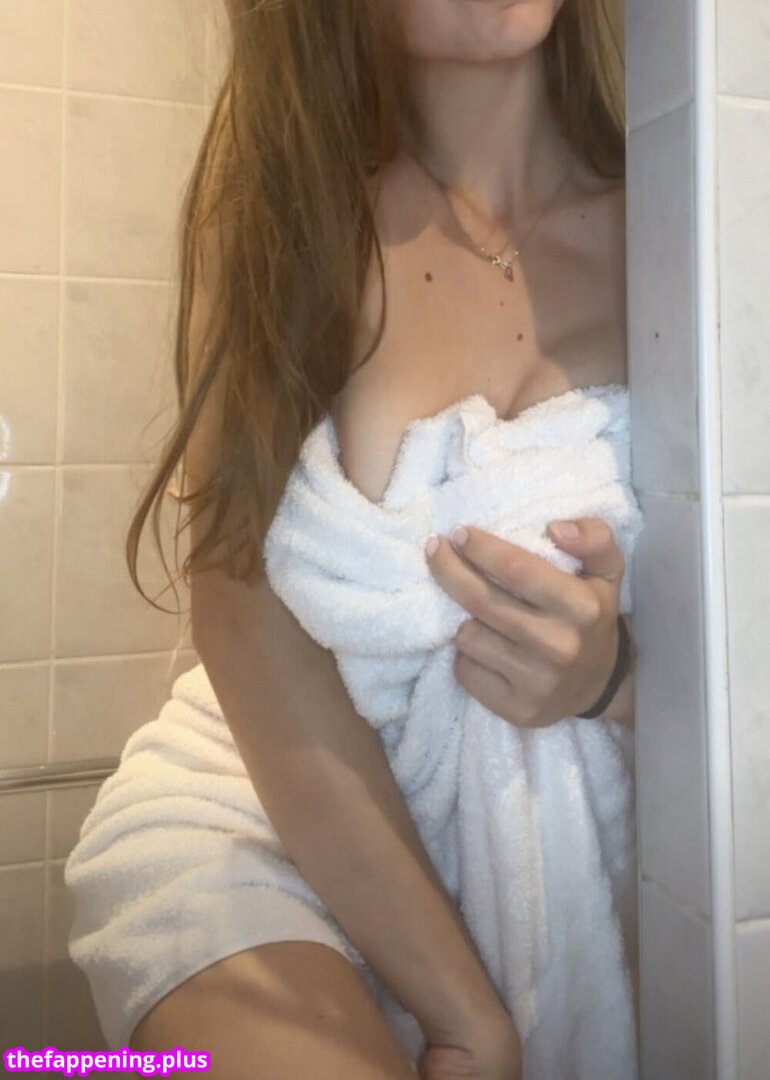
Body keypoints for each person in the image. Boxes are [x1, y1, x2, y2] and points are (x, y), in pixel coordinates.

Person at [65, 1, 640, 1078]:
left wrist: (613, 681)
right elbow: (243, 621)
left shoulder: (690, 214)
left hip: (556, 864)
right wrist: (466, 1018)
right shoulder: (285, 210)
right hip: (276, 809)